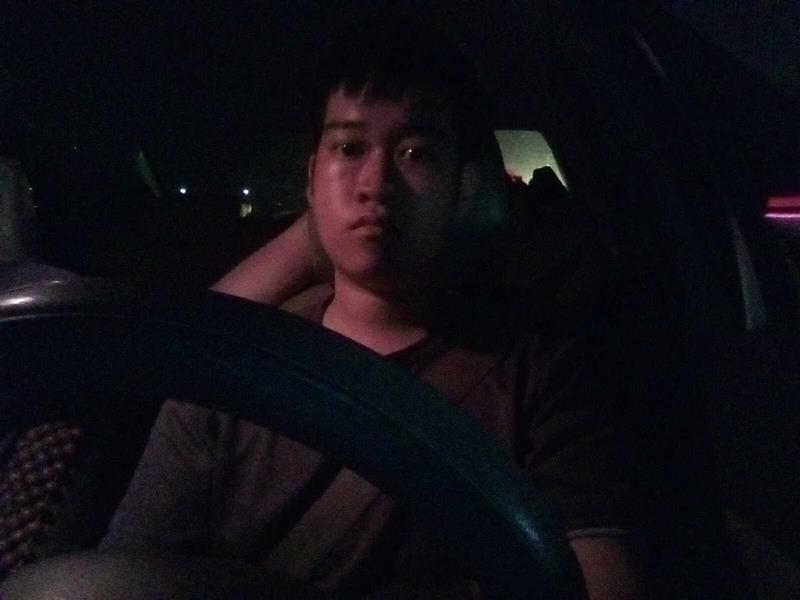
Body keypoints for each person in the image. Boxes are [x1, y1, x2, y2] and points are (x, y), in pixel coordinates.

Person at [101, 18, 652, 599]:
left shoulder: (538, 369)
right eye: (348, 148)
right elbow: (127, 577)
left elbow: (600, 574)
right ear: (312, 179)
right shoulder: (235, 371)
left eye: (416, 153)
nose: (376, 183)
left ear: (463, 187)